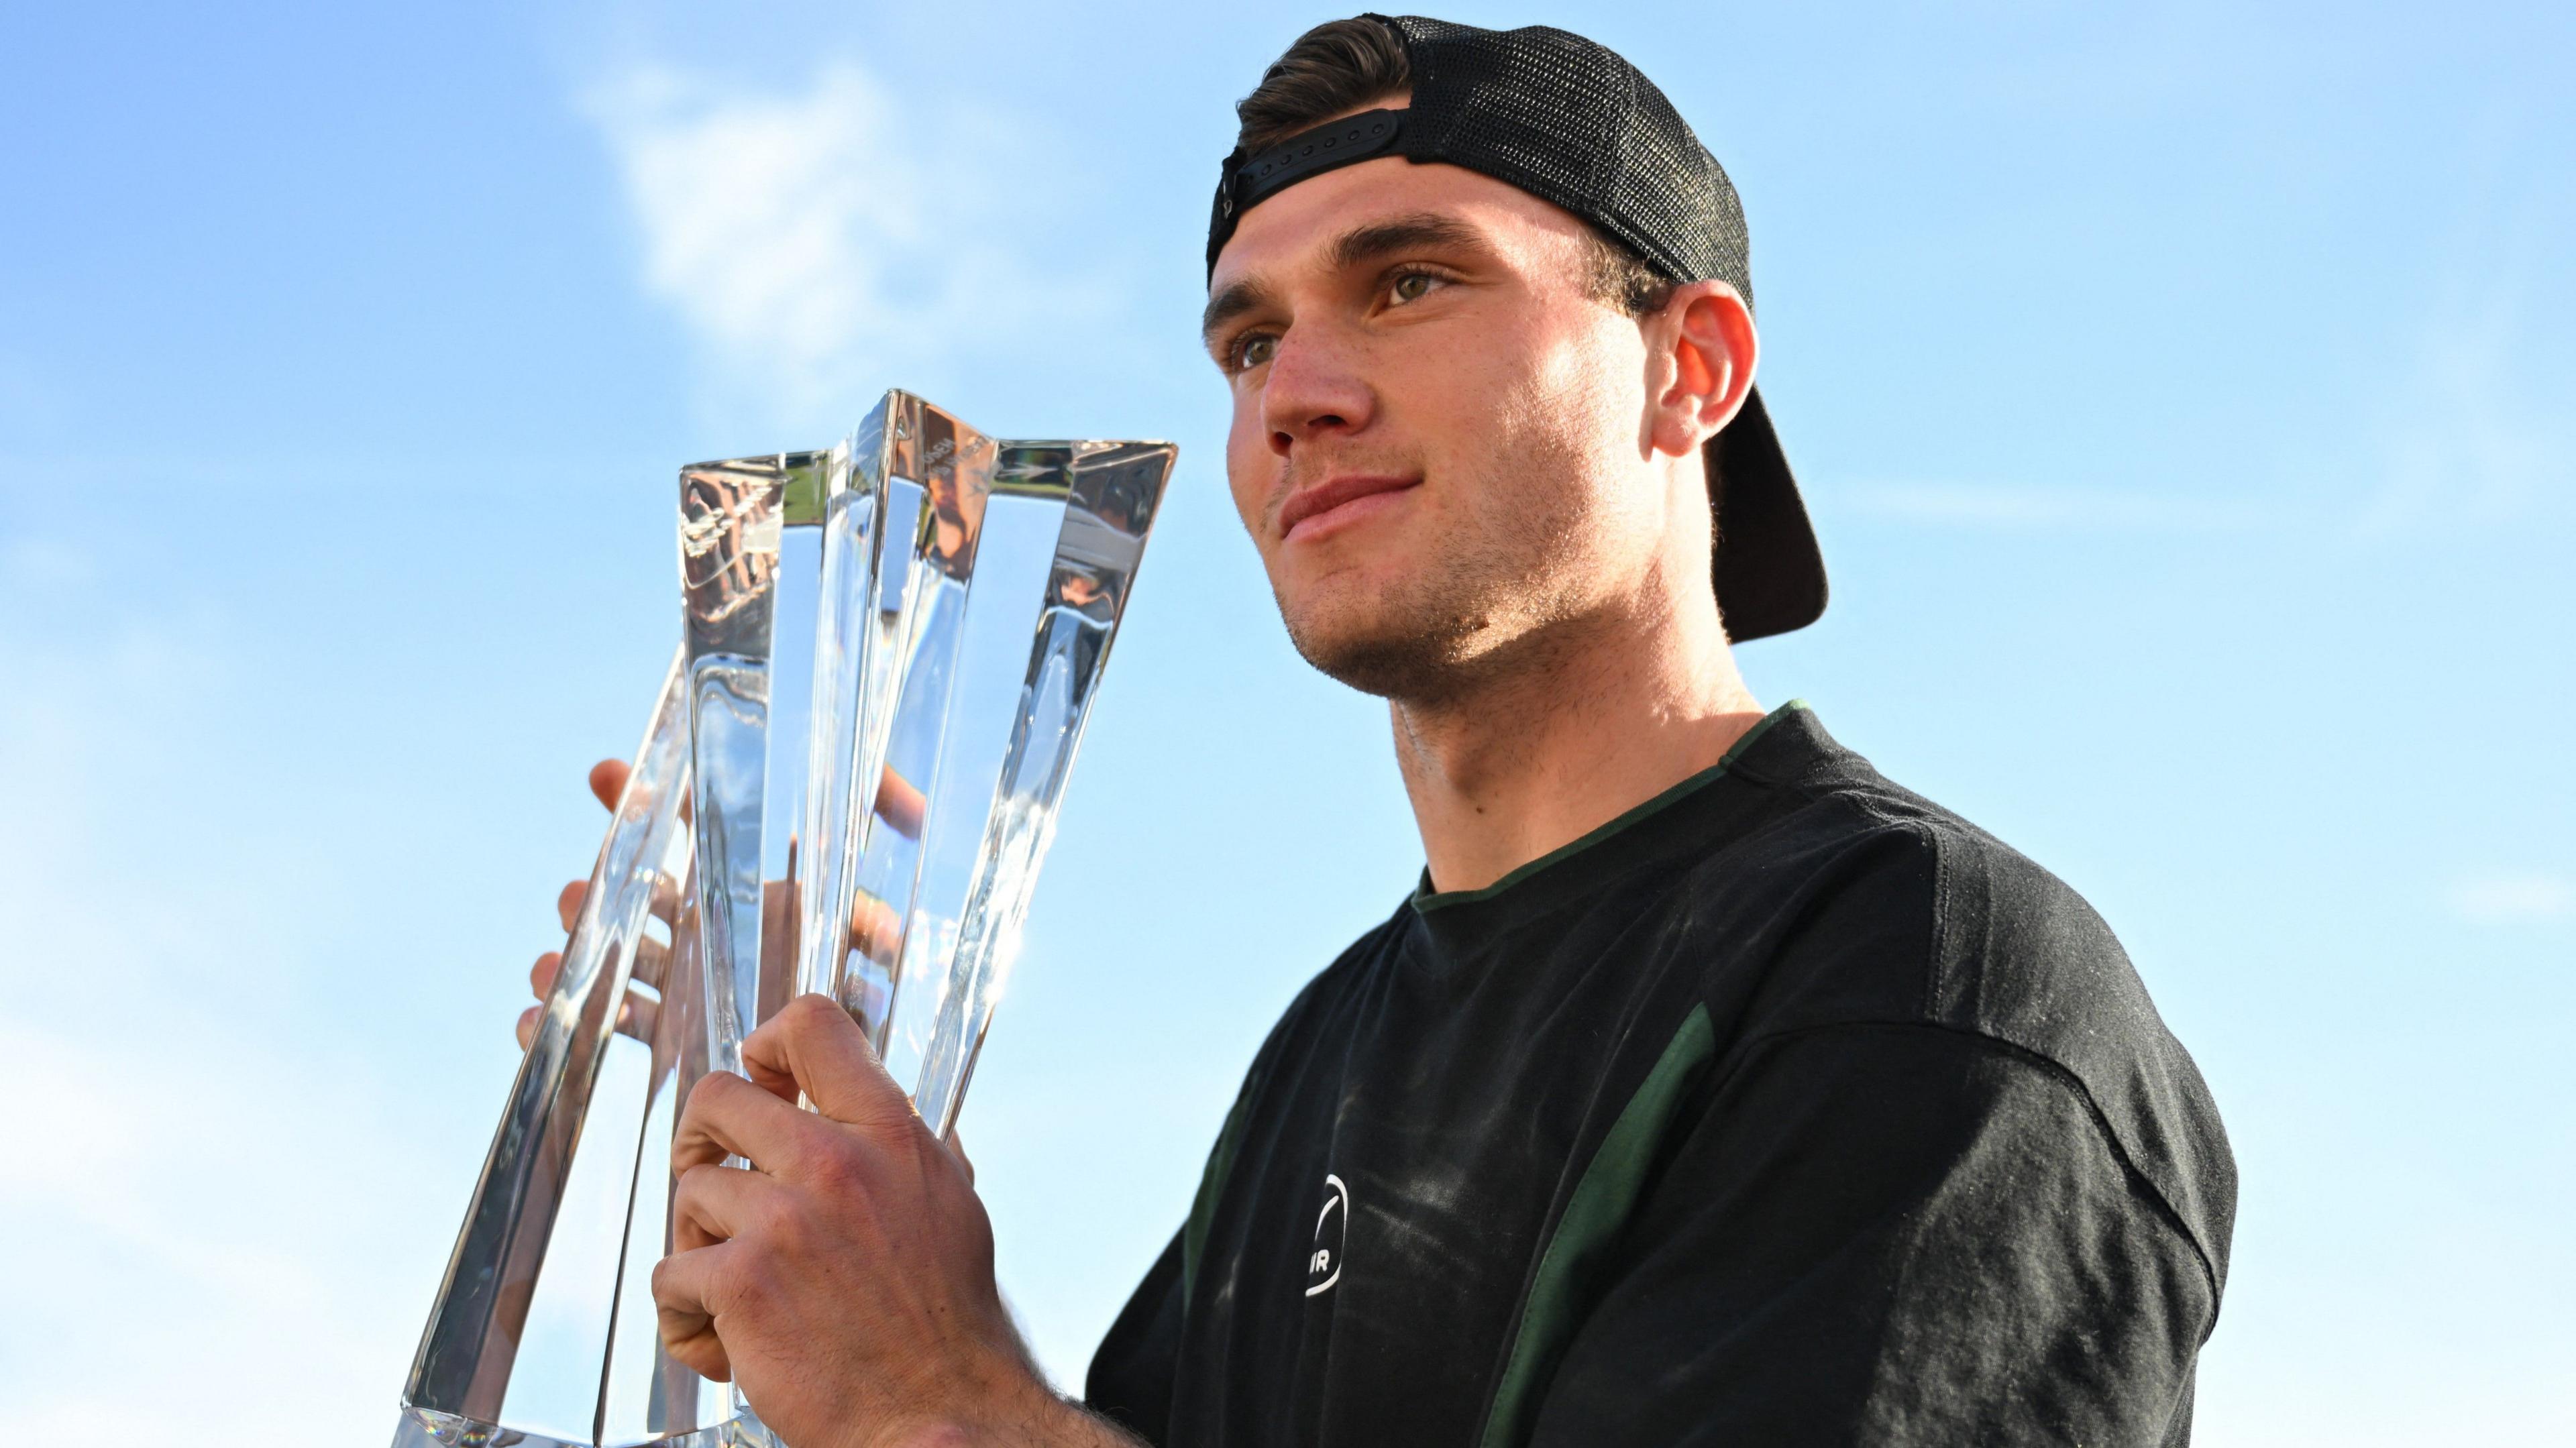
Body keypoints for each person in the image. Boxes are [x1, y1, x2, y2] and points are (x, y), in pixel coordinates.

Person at [521, 15, 2235, 1447]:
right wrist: (815, 1207)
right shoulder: (1321, 1051)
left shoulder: (1925, 979)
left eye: (1410, 285)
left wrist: (936, 1402)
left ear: (1691, 368)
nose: (1293, 397)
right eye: (1249, 340)